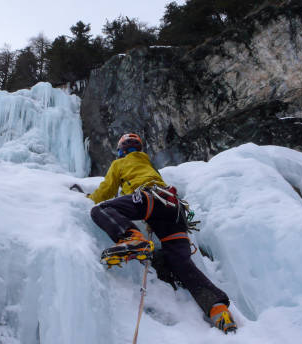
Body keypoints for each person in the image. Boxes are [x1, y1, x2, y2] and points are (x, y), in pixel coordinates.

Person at [87, 133, 237, 334]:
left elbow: (104, 193)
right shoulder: (149, 166)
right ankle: (218, 308)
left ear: (121, 150)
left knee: (100, 210)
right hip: (174, 211)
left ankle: (131, 237)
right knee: (182, 264)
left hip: (149, 200)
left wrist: (86, 198)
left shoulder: (120, 164)